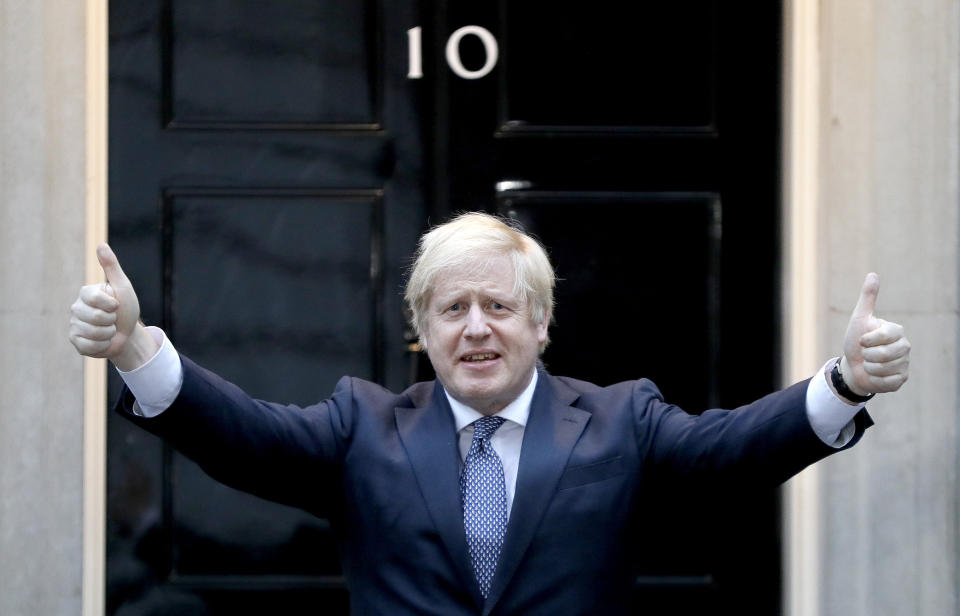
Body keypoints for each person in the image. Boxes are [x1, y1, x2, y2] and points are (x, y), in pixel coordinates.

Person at [69, 212, 910, 615]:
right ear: (422, 333)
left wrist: (844, 381)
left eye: (499, 307)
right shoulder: (359, 426)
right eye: (452, 308)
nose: (476, 327)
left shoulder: (624, 421)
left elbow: (733, 451)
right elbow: (243, 438)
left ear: (542, 323)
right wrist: (138, 346)